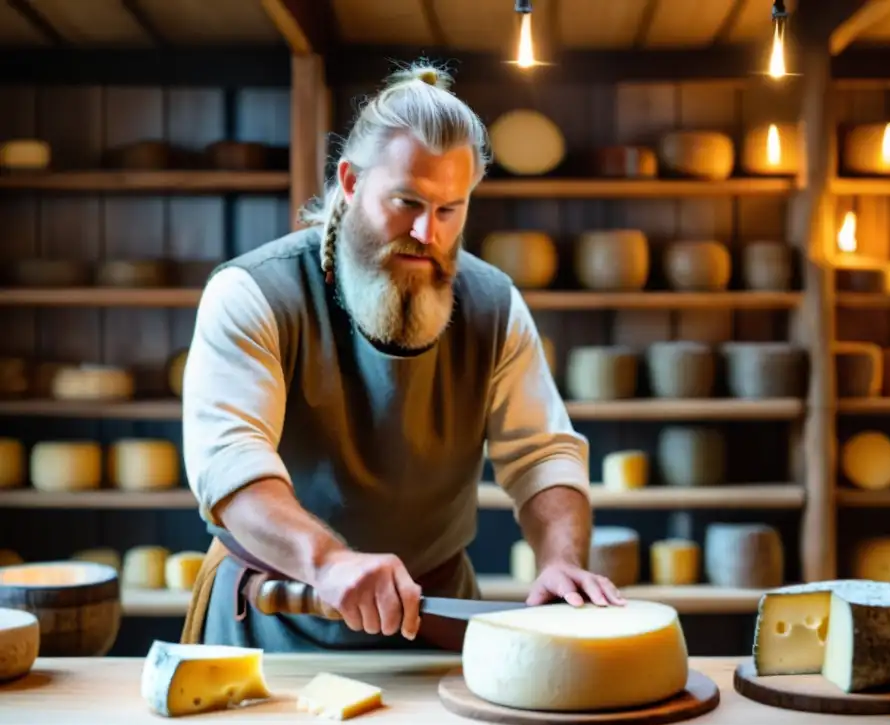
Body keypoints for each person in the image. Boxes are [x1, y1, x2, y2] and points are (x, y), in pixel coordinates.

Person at [177, 61, 625, 652]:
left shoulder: (493, 303)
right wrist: (329, 562)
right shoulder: (253, 294)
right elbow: (231, 467)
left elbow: (543, 453)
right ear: (351, 181)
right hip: (276, 612)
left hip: (432, 616)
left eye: (449, 210)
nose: (426, 233)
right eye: (407, 201)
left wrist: (560, 559)